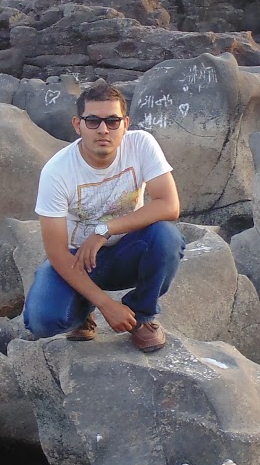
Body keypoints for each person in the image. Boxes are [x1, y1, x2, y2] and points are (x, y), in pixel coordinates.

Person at [24, 81, 184, 352]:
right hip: (78, 259)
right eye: (93, 121)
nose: (102, 129)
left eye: (112, 121)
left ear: (125, 124)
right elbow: (57, 253)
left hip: (127, 251)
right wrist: (106, 305)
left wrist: (105, 229)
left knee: (166, 237)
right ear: (77, 125)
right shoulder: (57, 171)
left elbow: (169, 205)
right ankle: (83, 312)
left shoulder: (141, 144)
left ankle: (141, 317)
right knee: (42, 320)